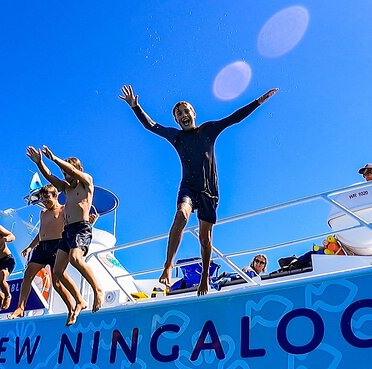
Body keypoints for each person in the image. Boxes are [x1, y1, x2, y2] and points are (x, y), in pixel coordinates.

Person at [119, 84, 278, 295]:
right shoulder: (176, 137)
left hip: (209, 191)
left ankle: (204, 277)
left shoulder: (208, 130)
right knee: (181, 215)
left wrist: (258, 102)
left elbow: (234, 118)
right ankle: (168, 265)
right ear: (176, 120)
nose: (183, 115)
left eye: (186, 111)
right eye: (179, 114)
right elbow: (152, 126)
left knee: (205, 238)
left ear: (193, 113)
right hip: (188, 187)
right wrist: (135, 107)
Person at [28, 145, 104, 325]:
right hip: (67, 231)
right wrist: (40, 163)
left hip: (81, 228)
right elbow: (49, 177)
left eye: (68, 172)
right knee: (57, 271)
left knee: (75, 258)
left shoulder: (87, 182)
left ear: (78, 170)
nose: (66, 176)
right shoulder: (66, 188)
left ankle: (97, 290)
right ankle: (79, 301)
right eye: (64, 173)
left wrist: (54, 159)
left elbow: (70, 170)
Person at [9, 184, 76, 320]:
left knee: (56, 283)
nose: (45, 202)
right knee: (27, 275)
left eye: (47, 199)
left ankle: (71, 308)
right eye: (43, 200)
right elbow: (41, 233)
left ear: (56, 196)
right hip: (42, 247)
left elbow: (75, 223)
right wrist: (30, 247)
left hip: (57, 246)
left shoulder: (64, 210)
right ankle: (20, 307)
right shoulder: (43, 213)